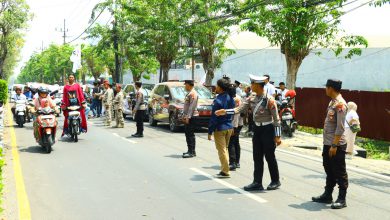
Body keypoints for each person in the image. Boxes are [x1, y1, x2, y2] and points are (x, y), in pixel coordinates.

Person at [216, 74, 282, 191]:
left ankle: (275, 181)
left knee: (269, 157)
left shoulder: (269, 100)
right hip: (257, 130)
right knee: (257, 157)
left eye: (252, 84)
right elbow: (240, 109)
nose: (250, 86)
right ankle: (257, 182)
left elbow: (276, 119)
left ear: (258, 85)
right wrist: (225, 111)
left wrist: (277, 136)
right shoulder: (251, 98)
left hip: (268, 130)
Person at [312, 79, 348, 210]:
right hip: (328, 143)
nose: (325, 89)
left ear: (331, 88)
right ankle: (327, 195)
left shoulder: (340, 105)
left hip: (336, 144)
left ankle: (342, 199)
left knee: (339, 171)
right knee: (329, 169)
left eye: (326, 87)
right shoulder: (332, 102)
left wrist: (334, 145)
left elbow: (340, 128)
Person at [208, 77, 235, 178]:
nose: (216, 87)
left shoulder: (218, 100)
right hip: (229, 126)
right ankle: (225, 168)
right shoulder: (230, 98)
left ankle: (225, 171)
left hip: (220, 128)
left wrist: (210, 131)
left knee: (222, 150)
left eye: (217, 86)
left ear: (220, 87)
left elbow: (214, 118)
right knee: (225, 149)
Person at [182, 80, 199, 158]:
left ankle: (192, 152)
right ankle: (190, 150)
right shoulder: (190, 93)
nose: (185, 86)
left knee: (190, 134)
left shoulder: (193, 94)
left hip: (192, 117)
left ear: (189, 85)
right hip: (189, 116)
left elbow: (191, 107)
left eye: (186, 85)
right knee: (187, 134)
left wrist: (188, 117)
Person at [229, 92, 244, 171]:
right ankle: (237, 162)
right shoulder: (237, 97)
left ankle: (233, 162)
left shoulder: (236, 99)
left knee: (231, 143)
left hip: (236, 124)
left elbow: (236, 114)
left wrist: (233, 127)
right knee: (236, 142)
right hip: (237, 123)